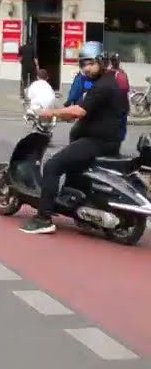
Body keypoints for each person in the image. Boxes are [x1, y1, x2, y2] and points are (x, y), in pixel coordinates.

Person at [22, 42, 128, 235]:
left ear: (101, 61)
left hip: (96, 143)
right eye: (83, 64)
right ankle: (79, 208)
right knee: (74, 168)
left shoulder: (104, 85)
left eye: (90, 63)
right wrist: (64, 113)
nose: (86, 68)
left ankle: (43, 218)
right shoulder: (107, 81)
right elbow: (80, 108)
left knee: (53, 166)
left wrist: (49, 112)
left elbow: (79, 110)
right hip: (106, 141)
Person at [19, 35, 38, 99]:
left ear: (25, 41)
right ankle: (32, 94)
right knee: (32, 81)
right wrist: (37, 66)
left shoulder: (21, 48)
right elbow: (35, 59)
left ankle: (23, 94)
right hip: (32, 66)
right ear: (30, 42)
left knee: (24, 80)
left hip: (24, 66)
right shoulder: (33, 48)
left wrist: (22, 63)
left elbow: (20, 59)